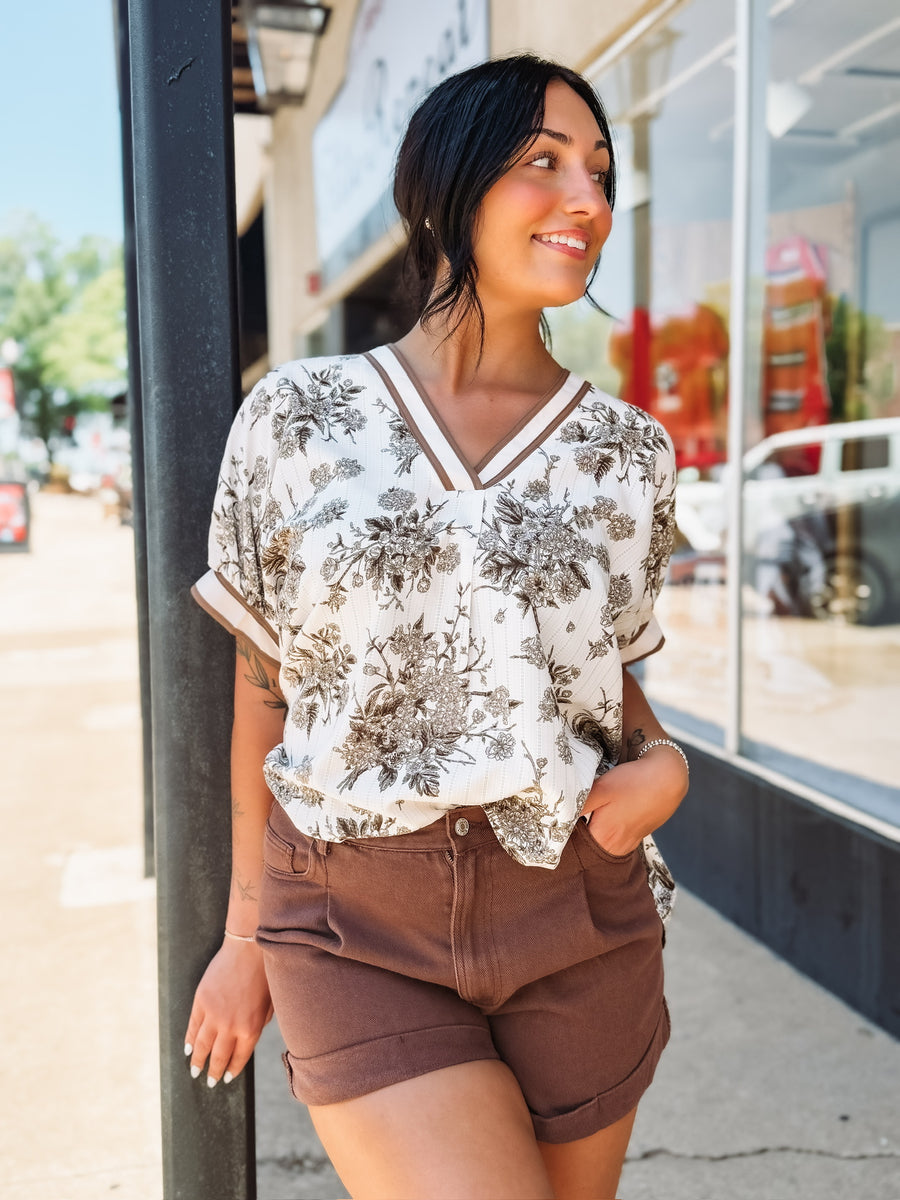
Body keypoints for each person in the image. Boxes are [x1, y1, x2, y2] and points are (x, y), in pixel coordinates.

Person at [185, 53, 689, 1200]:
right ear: (448, 187)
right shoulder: (299, 417)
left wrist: (665, 765)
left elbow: (602, 685)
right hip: (356, 921)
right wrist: (246, 934)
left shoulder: (627, 454)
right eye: (543, 163)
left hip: (577, 914)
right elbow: (266, 690)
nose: (588, 201)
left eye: (602, 173)